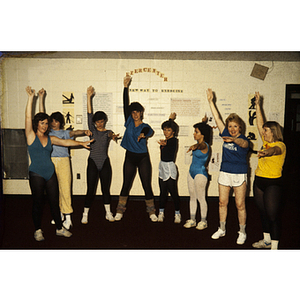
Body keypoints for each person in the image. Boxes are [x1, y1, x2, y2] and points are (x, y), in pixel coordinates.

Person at [25, 86, 93, 241]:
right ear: (37, 124)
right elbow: (28, 118)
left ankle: (59, 228)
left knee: (54, 202)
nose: (44, 126)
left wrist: (81, 144)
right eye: (42, 123)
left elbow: (66, 141)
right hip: (36, 173)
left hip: (50, 173)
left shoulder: (50, 138)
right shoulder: (30, 136)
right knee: (38, 203)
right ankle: (37, 230)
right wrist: (31, 99)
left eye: (46, 124)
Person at [207, 88, 249, 245]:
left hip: (239, 174)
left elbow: (244, 143)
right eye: (230, 126)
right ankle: (222, 229)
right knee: (222, 203)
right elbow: (217, 118)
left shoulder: (244, 140)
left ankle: (242, 232)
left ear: (240, 128)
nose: (232, 129)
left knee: (240, 205)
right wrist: (211, 101)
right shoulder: (225, 134)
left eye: (235, 127)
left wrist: (234, 140)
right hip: (225, 172)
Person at [114, 75, 157, 222]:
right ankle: (120, 210)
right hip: (130, 157)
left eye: (137, 112)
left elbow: (149, 131)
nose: (135, 114)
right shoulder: (129, 122)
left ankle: (151, 212)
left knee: (146, 185)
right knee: (126, 184)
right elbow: (125, 104)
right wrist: (125, 87)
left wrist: (143, 134)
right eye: (133, 112)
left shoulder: (145, 126)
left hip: (143, 157)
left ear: (141, 113)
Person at [252, 92, 286, 250]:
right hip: (259, 181)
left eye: (266, 131)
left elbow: (275, 152)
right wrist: (258, 105)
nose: (263, 133)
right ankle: (266, 241)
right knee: (263, 212)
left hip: (273, 183)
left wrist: (266, 153)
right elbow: (259, 124)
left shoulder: (280, 145)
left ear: (273, 132)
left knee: (272, 216)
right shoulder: (265, 142)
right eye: (264, 131)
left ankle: (274, 247)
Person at [81, 86, 119, 224]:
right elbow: (89, 113)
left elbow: (111, 134)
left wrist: (113, 136)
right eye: (97, 121)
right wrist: (89, 97)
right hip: (92, 161)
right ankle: (85, 214)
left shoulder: (108, 131)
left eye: (102, 121)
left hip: (104, 162)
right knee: (90, 189)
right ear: (94, 122)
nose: (99, 123)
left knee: (105, 189)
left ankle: (108, 212)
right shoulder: (91, 130)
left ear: (105, 121)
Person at [184, 116, 212, 230]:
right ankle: (192, 219)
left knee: (201, 198)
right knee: (192, 197)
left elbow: (201, 145)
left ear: (202, 135)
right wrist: (203, 122)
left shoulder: (204, 145)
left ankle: (204, 221)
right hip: (191, 172)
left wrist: (195, 146)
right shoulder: (199, 142)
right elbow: (199, 141)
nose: (194, 134)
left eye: (196, 132)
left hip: (200, 174)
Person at [157, 113, 181, 223]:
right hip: (162, 166)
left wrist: (171, 120)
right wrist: (170, 119)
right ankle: (161, 213)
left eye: (168, 130)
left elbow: (170, 143)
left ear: (173, 132)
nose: (166, 132)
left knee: (173, 192)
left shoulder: (174, 141)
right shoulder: (165, 141)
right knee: (162, 192)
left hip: (170, 168)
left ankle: (177, 213)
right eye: (164, 130)